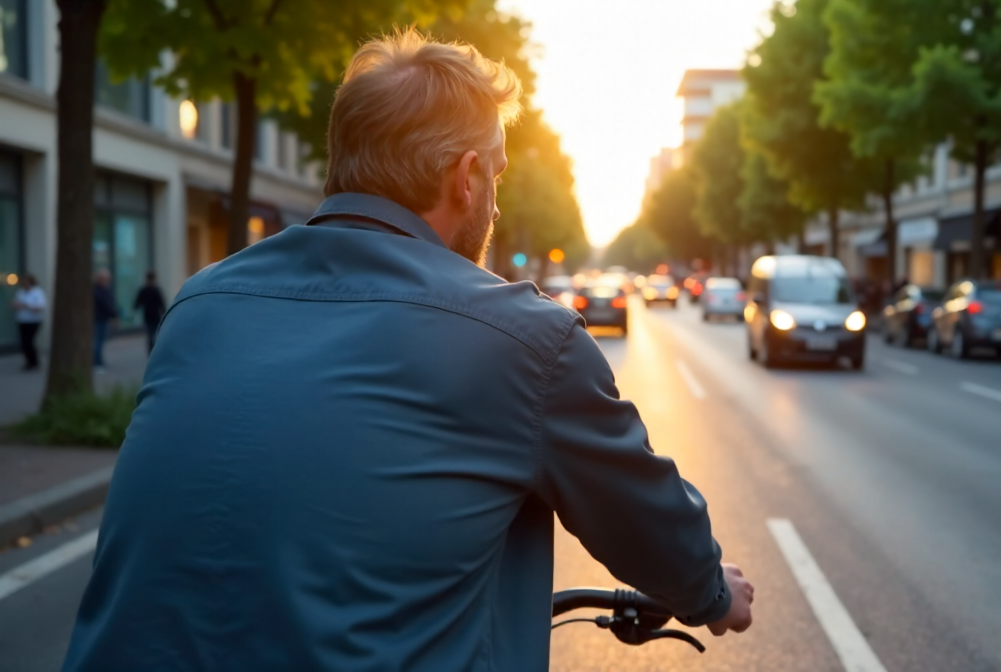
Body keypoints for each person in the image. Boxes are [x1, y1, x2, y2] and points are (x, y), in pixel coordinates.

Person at [62, 30, 753, 672]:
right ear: (467, 177)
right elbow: (648, 519)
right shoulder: (523, 338)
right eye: (500, 176)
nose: (496, 202)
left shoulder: (200, 302)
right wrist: (712, 593)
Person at [12, 274, 46, 370]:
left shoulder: (37, 292)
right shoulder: (21, 292)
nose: (25, 283)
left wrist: (26, 306)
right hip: (22, 320)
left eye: (26, 282)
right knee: (24, 342)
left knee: (29, 341)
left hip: (34, 321)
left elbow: (40, 306)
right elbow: (16, 303)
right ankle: (29, 361)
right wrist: (15, 305)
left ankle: (34, 361)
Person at [133, 271, 166, 353]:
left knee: (150, 333)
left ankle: (151, 350)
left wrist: (135, 307)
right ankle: (153, 349)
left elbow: (137, 302)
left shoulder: (144, 290)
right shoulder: (156, 290)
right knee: (154, 333)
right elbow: (161, 303)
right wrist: (164, 312)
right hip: (155, 315)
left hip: (147, 315)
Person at [92, 269, 118, 371]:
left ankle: (99, 360)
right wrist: (113, 314)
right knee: (98, 341)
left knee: (100, 341)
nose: (107, 281)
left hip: (103, 318)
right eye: (105, 279)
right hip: (99, 318)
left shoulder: (104, 289)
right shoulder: (98, 291)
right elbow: (106, 304)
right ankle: (97, 362)